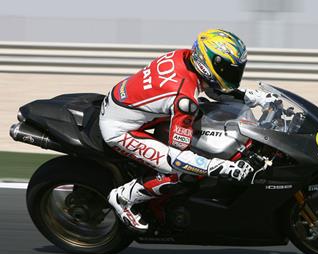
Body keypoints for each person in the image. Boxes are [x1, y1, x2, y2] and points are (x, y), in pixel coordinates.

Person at [99, 29, 276, 231]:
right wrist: (222, 167)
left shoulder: (185, 56)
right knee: (179, 174)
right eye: (228, 69)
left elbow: (213, 89)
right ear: (208, 64)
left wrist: (258, 99)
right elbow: (178, 157)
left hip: (130, 105)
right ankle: (123, 197)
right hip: (120, 129)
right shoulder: (184, 100)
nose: (234, 74)